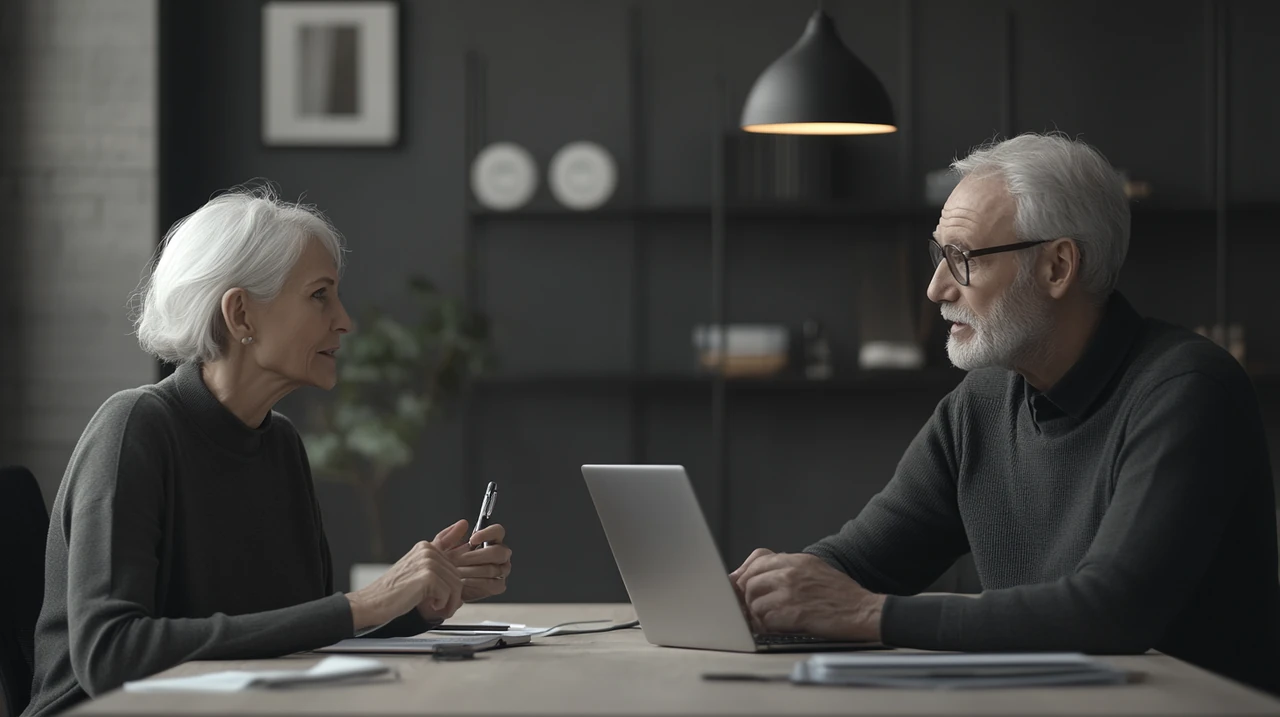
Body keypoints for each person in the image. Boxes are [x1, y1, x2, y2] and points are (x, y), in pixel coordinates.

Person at [731, 133, 1280, 694]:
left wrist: (866, 614)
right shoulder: (982, 403)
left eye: (962, 258)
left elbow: (1111, 611)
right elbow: (861, 562)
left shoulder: (1186, 389)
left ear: (1057, 267)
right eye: (939, 254)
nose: (936, 288)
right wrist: (759, 591)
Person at [23, 187, 513, 717]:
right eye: (320, 295)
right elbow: (109, 655)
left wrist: (417, 601)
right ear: (241, 315)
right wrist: (363, 603)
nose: (344, 320)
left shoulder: (279, 443)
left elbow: (300, 634)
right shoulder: (134, 428)